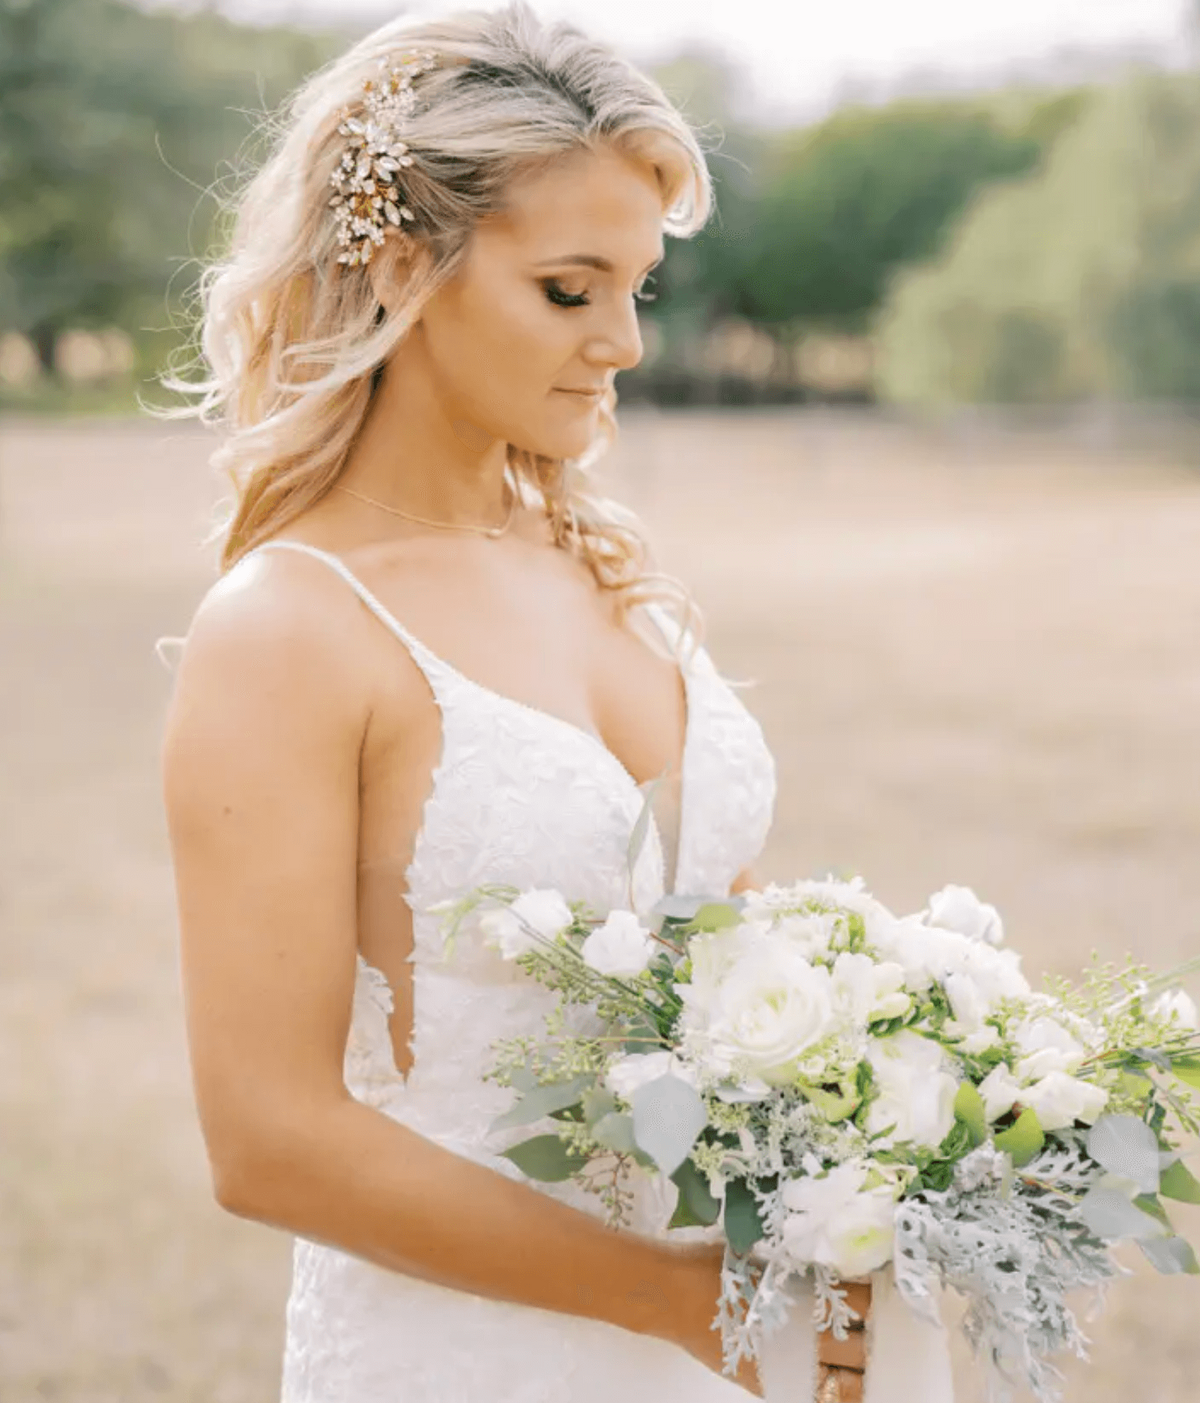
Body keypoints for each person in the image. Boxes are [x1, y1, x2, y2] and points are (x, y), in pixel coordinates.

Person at [161, 6, 952, 1400]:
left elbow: (721, 953)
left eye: (639, 287)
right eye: (570, 291)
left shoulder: (601, 566)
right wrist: (678, 1301)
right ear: (400, 269)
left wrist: (918, 1098)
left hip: (736, 1340)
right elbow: (268, 1138)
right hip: (468, 1351)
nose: (626, 343)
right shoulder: (289, 629)